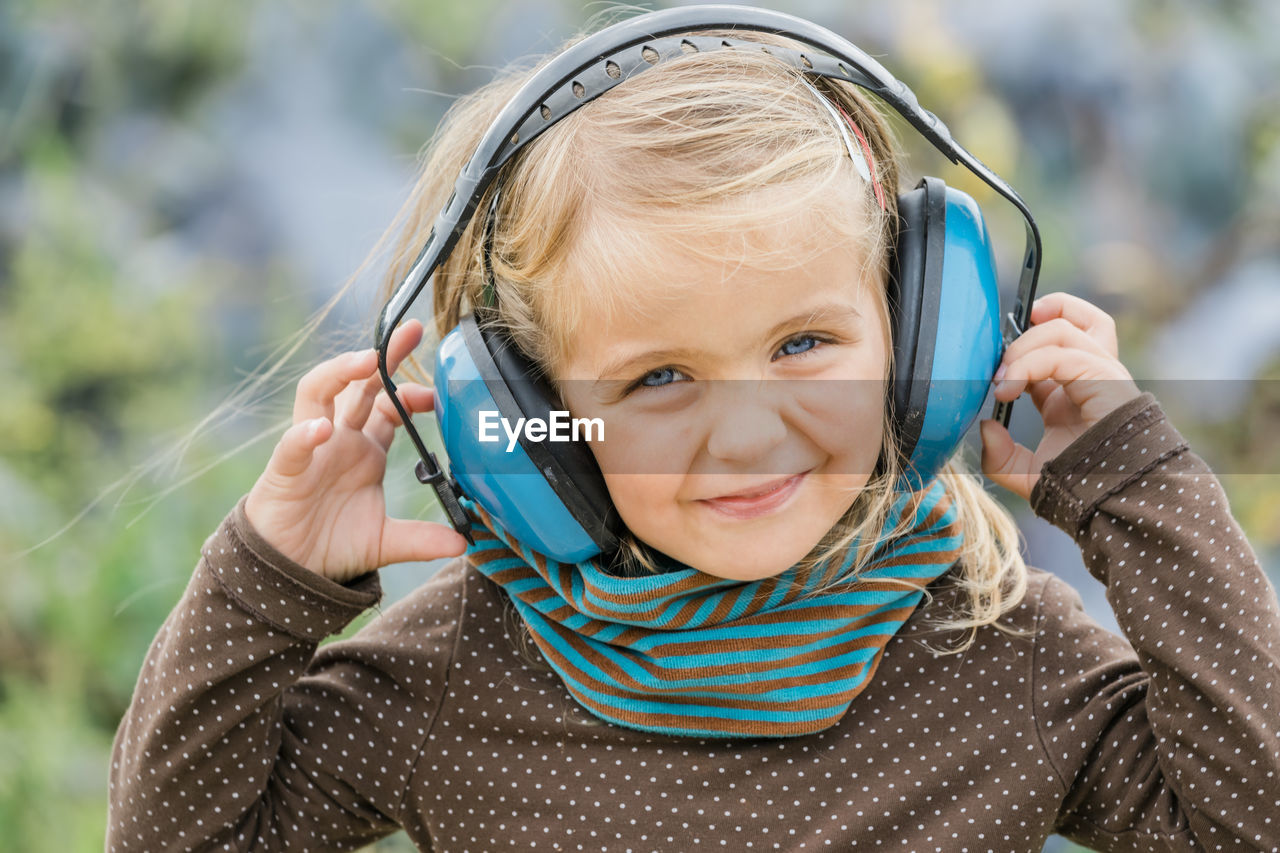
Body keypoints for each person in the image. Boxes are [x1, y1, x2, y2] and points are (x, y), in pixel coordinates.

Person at [106, 13, 1280, 853]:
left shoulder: (1001, 649)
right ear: (530, 422)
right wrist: (271, 579)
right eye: (659, 376)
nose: (746, 434)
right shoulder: (464, 669)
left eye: (803, 345)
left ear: (923, 341)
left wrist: (1133, 483)